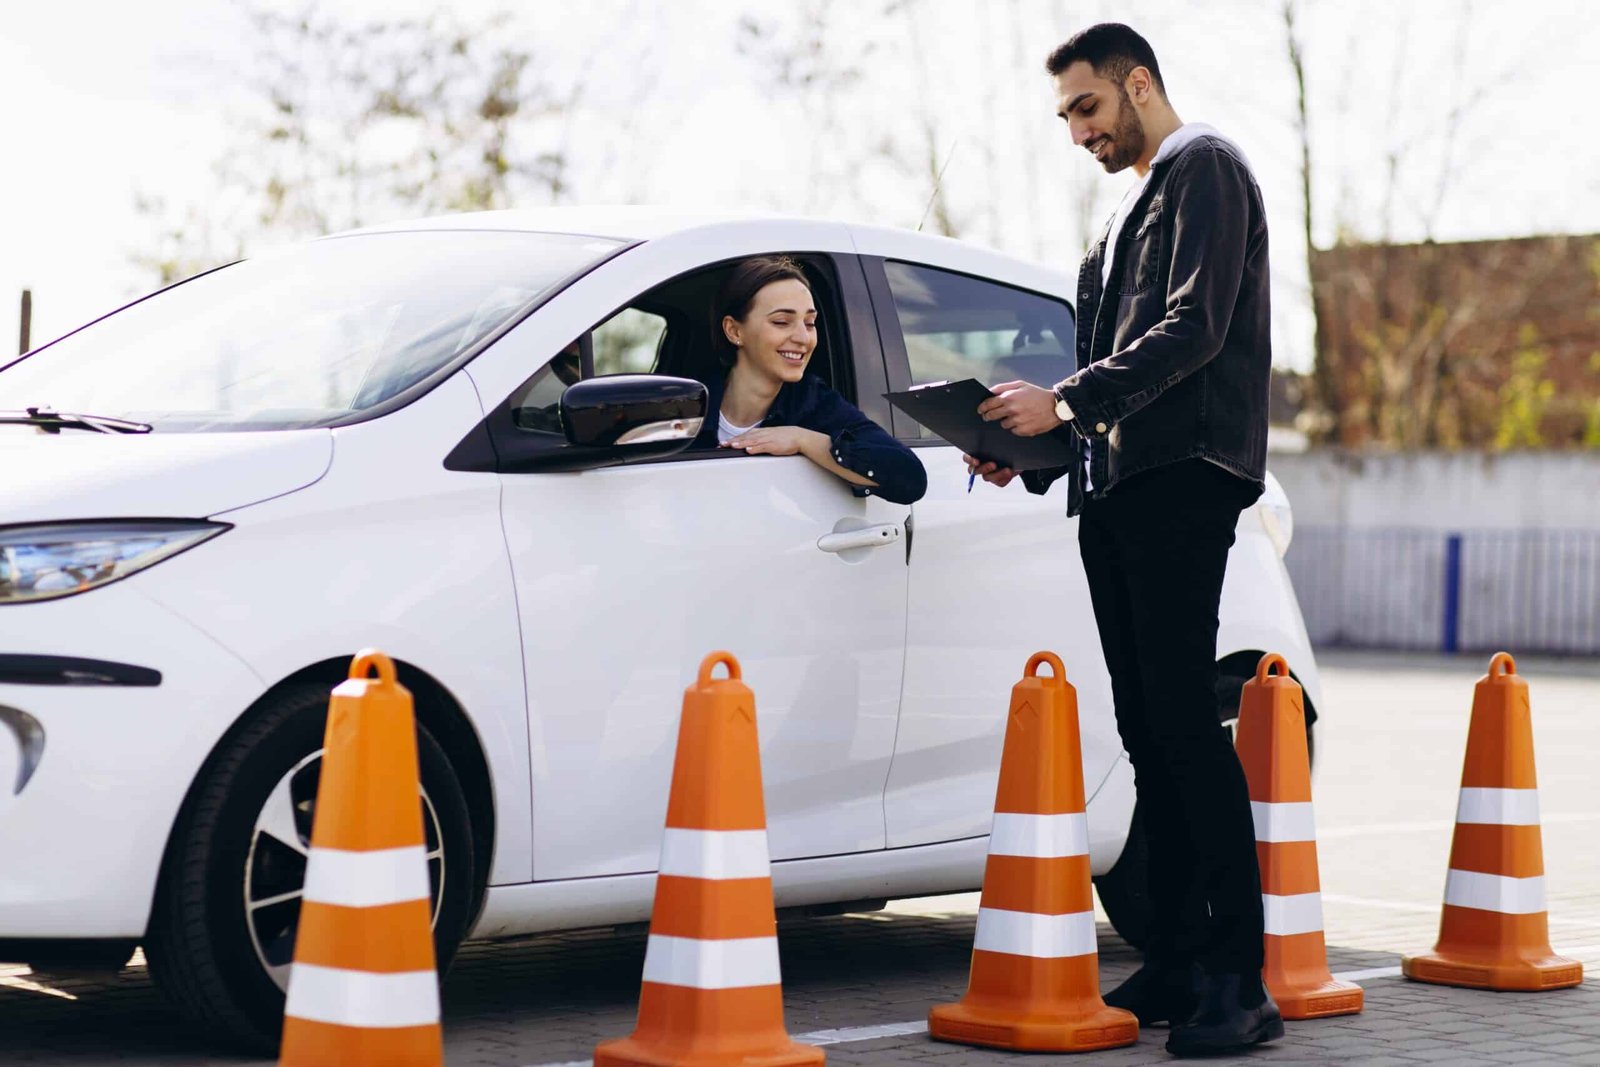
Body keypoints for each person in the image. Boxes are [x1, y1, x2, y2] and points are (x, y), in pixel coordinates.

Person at [965, 23, 1280, 1058]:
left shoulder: (1206, 168)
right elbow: (1102, 396)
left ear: (1138, 83)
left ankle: (1240, 974)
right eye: (1063, 116)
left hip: (1186, 480)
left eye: (1087, 108)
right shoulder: (1120, 221)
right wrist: (1032, 445)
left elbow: (1194, 329)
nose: (1076, 131)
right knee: (1148, 726)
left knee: (1186, 723)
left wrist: (1056, 400)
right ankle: (1183, 956)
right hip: (1117, 488)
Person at [691, 255, 926, 506]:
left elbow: (909, 477)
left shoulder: (814, 403)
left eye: (810, 323)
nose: (804, 338)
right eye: (782, 322)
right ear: (735, 331)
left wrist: (804, 440)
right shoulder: (685, 401)